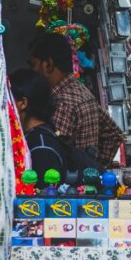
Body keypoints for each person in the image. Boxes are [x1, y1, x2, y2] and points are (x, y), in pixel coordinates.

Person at [28, 33, 124, 167]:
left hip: (66, 183)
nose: (32, 72)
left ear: (48, 65)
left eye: (33, 65)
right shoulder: (81, 91)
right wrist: (96, 167)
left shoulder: (62, 103)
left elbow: (51, 149)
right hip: (84, 180)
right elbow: (114, 134)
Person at [9, 68, 67, 184]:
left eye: (9, 100)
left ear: (23, 103)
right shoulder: (38, 137)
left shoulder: (41, 146)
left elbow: (44, 196)